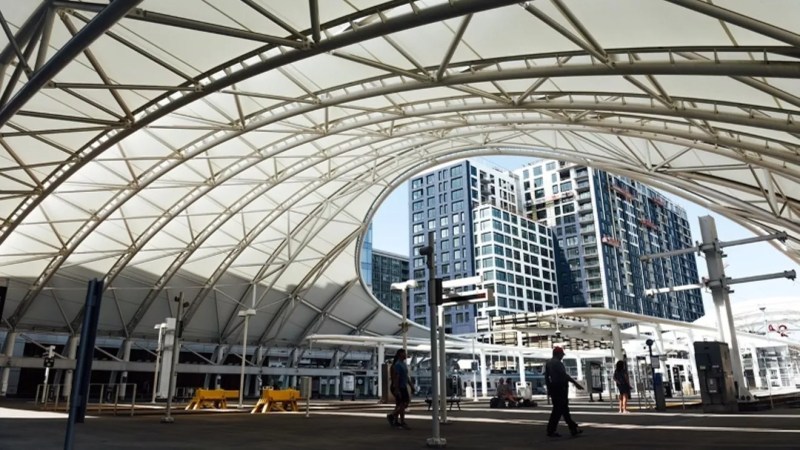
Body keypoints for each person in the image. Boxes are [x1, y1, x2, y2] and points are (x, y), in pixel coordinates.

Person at [544, 346, 584, 438]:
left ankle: (572, 428)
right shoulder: (558, 363)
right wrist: (575, 383)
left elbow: (546, 377)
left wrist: (549, 389)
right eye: (562, 355)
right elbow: (564, 375)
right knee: (559, 410)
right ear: (558, 354)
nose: (562, 356)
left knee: (561, 409)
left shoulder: (548, 363)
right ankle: (553, 429)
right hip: (561, 388)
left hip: (554, 388)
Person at [387, 349, 413, 429]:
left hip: (403, 386)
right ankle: (397, 419)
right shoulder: (397, 365)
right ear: (400, 354)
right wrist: (396, 389)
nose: (405, 355)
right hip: (399, 387)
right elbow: (396, 378)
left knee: (402, 404)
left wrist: (411, 385)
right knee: (402, 404)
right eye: (404, 353)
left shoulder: (404, 364)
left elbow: (406, 376)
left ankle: (395, 418)